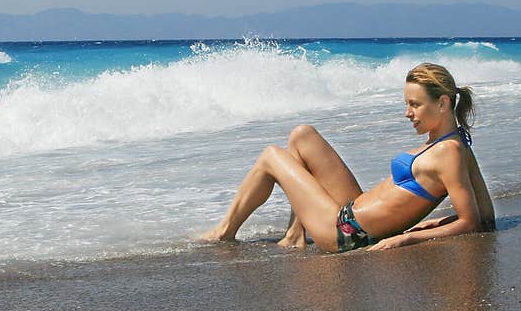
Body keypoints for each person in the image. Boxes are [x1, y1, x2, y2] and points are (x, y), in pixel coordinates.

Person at [200, 62, 495, 252]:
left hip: (345, 232)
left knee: (270, 156)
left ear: (442, 103)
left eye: (414, 105)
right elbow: (486, 215)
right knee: (302, 136)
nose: (408, 113)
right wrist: (435, 221)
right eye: (407, 104)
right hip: (353, 208)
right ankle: (295, 234)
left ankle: (224, 232)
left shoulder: (451, 152)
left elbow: (472, 222)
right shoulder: (453, 143)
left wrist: (406, 237)